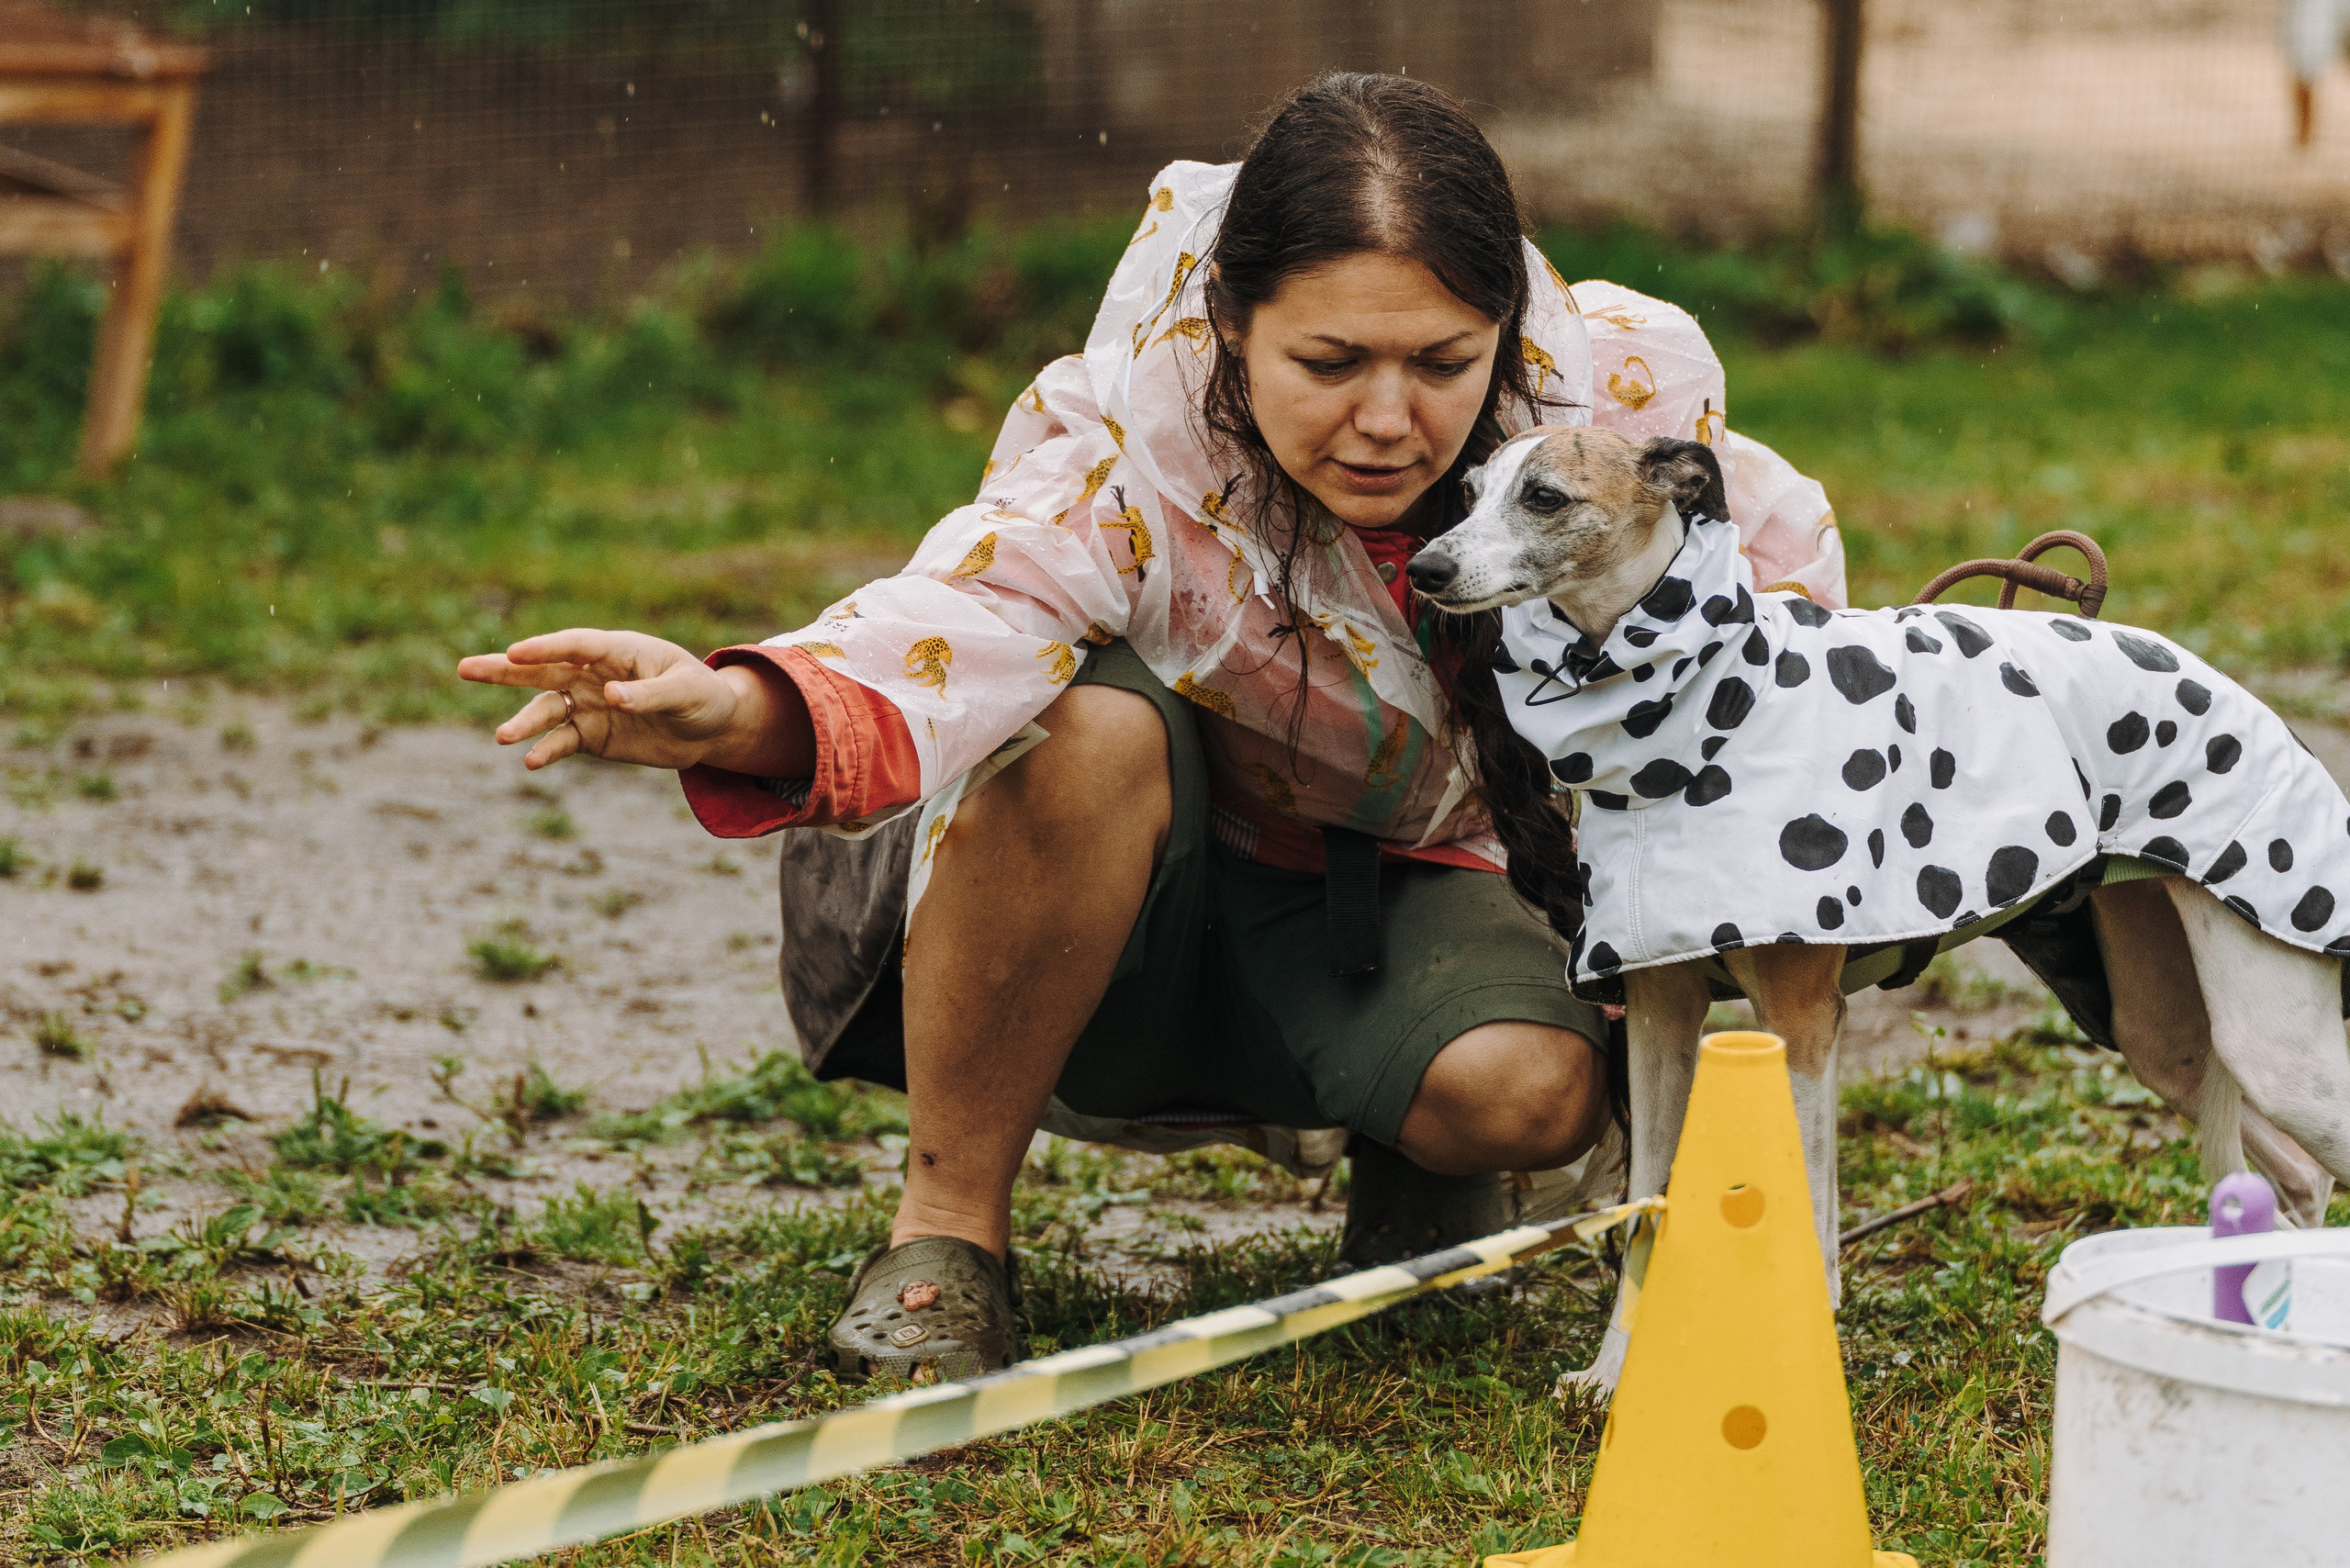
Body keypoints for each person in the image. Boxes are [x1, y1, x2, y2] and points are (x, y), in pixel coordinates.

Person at [459, 73, 1845, 1383]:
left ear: (1509, 334)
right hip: (1126, 893)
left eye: (1442, 362)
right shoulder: (1127, 455)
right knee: (1081, 725)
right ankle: (946, 1232)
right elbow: (952, 624)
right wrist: (735, 709)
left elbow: (1773, 656)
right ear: (1232, 323)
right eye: (1329, 360)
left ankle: (1422, 1155)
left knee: (1526, 1089)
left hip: (1413, 885)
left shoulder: (1616, 421)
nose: (1387, 419)